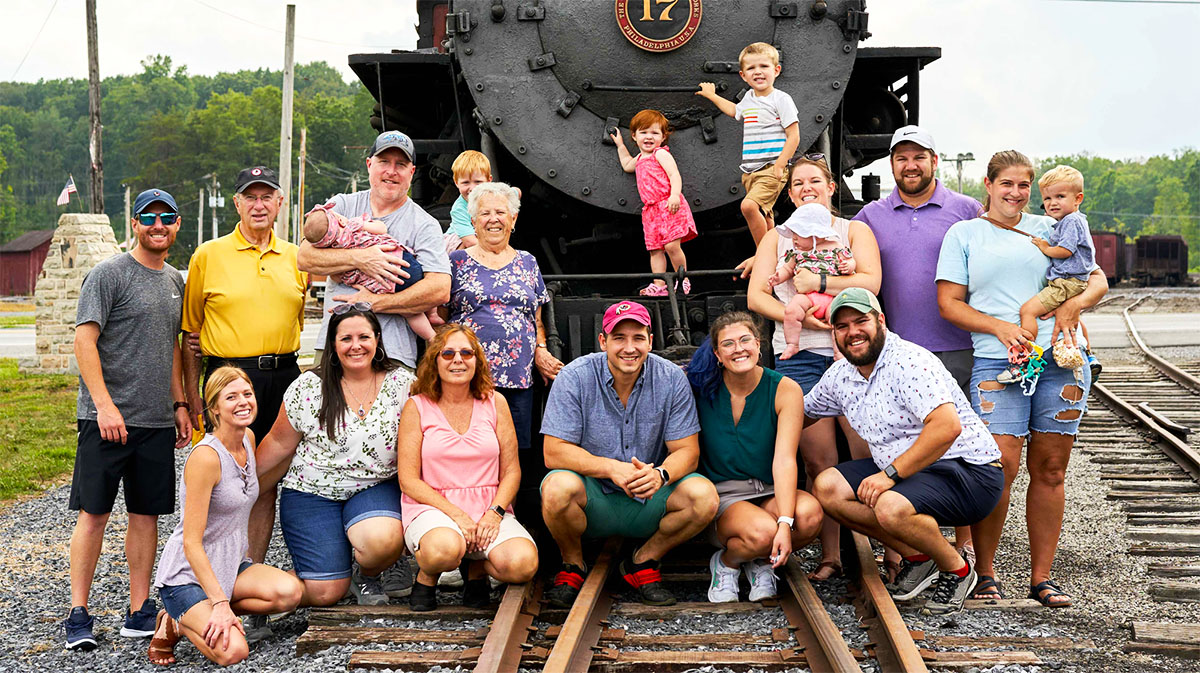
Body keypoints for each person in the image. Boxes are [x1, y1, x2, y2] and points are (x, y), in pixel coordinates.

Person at [937, 150, 1107, 608]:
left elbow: (1098, 279)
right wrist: (1000, 326)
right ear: (988, 186)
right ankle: (987, 574)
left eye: (1023, 185)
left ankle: (1042, 579)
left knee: (1051, 469)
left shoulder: (1052, 225)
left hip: (1059, 360)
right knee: (1000, 466)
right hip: (999, 363)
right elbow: (949, 304)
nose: (1016, 193)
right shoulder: (965, 234)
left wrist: (1076, 306)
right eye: (1006, 184)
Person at [809, 288, 1004, 616]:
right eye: (841, 327)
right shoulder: (841, 375)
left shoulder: (908, 362)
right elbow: (801, 413)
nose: (852, 332)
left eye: (861, 321)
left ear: (880, 321)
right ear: (834, 334)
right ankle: (918, 556)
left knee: (889, 506)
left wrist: (889, 476)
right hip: (913, 472)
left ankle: (957, 570)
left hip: (968, 472)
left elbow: (946, 427)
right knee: (828, 488)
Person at [63, 188, 192, 651]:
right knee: (94, 514)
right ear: (133, 224)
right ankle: (78, 613)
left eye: (167, 217)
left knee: (145, 515)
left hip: (156, 421)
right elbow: (84, 341)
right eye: (148, 217)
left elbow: (172, 349)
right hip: (106, 419)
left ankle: (139, 610)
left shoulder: (176, 280)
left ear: (177, 225)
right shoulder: (108, 274)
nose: (158, 225)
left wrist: (180, 405)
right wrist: (104, 405)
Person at [180, 167, 307, 636]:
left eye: (267, 196)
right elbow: (189, 333)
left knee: (263, 481)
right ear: (236, 204)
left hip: (283, 373)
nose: (258, 204)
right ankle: (204, 584)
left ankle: (248, 580)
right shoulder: (208, 255)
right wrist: (193, 397)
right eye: (249, 196)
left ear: (279, 204)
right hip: (229, 375)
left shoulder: (296, 257)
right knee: (220, 482)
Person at [852, 125, 983, 576]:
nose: (910, 165)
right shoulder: (869, 217)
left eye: (919, 157)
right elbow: (836, 255)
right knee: (895, 450)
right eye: (901, 158)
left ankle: (963, 548)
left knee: (961, 452)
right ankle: (902, 552)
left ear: (934, 160)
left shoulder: (967, 210)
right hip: (897, 357)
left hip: (957, 349)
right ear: (891, 164)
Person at [746, 156, 881, 580]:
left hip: (857, 354)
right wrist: (801, 315)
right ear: (789, 193)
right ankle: (831, 555)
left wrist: (820, 286)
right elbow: (757, 298)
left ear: (830, 188)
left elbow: (871, 282)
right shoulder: (776, 238)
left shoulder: (852, 230)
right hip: (801, 356)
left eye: (815, 181)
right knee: (819, 462)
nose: (807, 188)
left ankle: (890, 549)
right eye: (799, 183)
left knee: (867, 454)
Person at [540, 301, 718, 608]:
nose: (629, 347)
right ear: (602, 341)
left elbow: (687, 451)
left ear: (651, 341)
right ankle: (572, 565)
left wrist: (660, 474)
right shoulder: (575, 376)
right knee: (556, 488)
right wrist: (610, 468)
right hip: (594, 495)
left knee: (705, 498)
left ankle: (643, 562)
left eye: (638, 338)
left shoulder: (672, 378)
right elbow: (553, 452)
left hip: (649, 494)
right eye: (619, 338)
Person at [254, 305, 412, 608]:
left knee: (381, 541)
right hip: (312, 492)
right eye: (346, 338)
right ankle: (258, 589)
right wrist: (242, 486)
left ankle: (367, 575)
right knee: (326, 593)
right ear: (333, 344)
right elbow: (278, 443)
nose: (356, 346)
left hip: (374, 486)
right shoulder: (309, 386)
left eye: (364, 336)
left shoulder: (402, 383)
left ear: (377, 339)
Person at [148, 367, 303, 666]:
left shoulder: (248, 438)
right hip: (187, 576)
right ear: (214, 408)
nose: (243, 402)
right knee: (234, 652)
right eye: (231, 397)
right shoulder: (206, 457)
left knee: (289, 593)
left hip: (230, 565)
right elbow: (191, 543)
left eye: (247, 394)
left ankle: (187, 618)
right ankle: (176, 619)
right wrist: (219, 603)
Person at [397, 325, 539, 611]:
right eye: (448, 353)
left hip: (488, 508)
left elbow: (511, 471)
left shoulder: (495, 403)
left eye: (466, 353)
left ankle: (477, 569)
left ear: (478, 360)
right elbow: (408, 480)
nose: (458, 360)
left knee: (523, 565)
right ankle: (428, 576)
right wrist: (458, 516)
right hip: (434, 509)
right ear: (435, 360)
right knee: (443, 551)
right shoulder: (417, 406)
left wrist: (494, 513)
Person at [687, 312, 823, 603]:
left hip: (771, 490)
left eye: (745, 340)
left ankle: (760, 559)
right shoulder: (700, 388)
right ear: (717, 354)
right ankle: (728, 562)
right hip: (725, 496)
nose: (739, 349)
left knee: (809, 516)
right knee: (762, 533)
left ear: (759, 345)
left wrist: (785, 523)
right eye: (728, 344)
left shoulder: (785, 389)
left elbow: (785, 458)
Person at [299, 130, 451, 370]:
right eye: (384, 162)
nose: (391, 171)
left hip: (394, 353)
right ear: (369, 165)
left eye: (400, 164)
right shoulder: (342, 206)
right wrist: (362, 258)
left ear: (411, 172)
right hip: (335, 347)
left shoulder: (425, 224)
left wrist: (374, 303)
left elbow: (440, 289)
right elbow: (305, 257)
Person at [443, 182, 563, 452]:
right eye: (485, 213)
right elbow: (441, 317)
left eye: (500, 212)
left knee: (513, 453)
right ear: (473, 221)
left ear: (513, 219)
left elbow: (537, 318)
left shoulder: (528, 262)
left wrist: (540, 350)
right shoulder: (457, 261)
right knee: (467, 450)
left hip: (517, 377)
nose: (493, 219)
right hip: (466, 376)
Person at [997, 165, 1095, 385]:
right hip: (1069, 281)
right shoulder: (1070, 220)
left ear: (1078, 198)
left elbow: (1065, 251)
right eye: (1048, 198)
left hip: (1067, 282)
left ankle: (1026, 359)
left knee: (1028, 311)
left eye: (1060, 196)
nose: (1052, 203)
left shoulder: (1071, 221)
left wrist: (1045, 247)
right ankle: (1089, 354)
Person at [698, 42, 799, 249]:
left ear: (776, 70)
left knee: (749, 206)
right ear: (743, 75)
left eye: (764, 66)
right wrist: (712, 96)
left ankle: (764, 253)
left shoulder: (781, 99)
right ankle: (776, 252)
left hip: (771, 168)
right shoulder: (749, 98)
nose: (758, 72)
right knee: (766, 215)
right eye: (751, 68)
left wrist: (780, 164)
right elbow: (735, 111)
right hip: (750, 172)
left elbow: (794, 135)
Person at [303, 204, 442, 339]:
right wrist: (364, 225)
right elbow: (382, 229)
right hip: (403, 262)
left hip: (387, 283)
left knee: (410, 313)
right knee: (420, 285)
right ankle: (432, 313)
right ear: (339, 220)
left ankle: (431, 337)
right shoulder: (353, 226)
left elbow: (336, 278)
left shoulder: (332, 250)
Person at [610, 109, 698, 296]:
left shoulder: (661, 154)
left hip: (668, 205)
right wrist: (620, 145)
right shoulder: (640, 158)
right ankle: (659, 284)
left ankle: (683, 278)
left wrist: (675, 195)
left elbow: (674, 174)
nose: (648, 137)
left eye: (654, 133)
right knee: (655, 250)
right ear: (634, 136)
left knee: (672, 246)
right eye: (643, 132)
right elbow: (626, 165)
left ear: (663, 136)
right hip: (651, 211)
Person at [767, 203, 856, 360]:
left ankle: (839, 351)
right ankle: (792, 344)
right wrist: (777, 277)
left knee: (838, 319)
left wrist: (847, 266)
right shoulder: (797, 253)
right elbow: (788, 270)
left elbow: (850, 262)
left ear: (816, 234)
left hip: (831, 297)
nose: (794, 239)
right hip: (807, 297)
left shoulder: (835, 247)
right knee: (791, 311)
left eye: (799, 234)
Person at [447, 150, 490, 250]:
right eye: (466, 183)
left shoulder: (493, 196)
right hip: (455, 243)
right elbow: (469, 241)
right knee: (463, 243)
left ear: (489, 181)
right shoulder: (459, 208)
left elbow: (514, 192)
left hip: (477, 238)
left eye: (478, 182)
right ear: (456, 182)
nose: (472, 188)